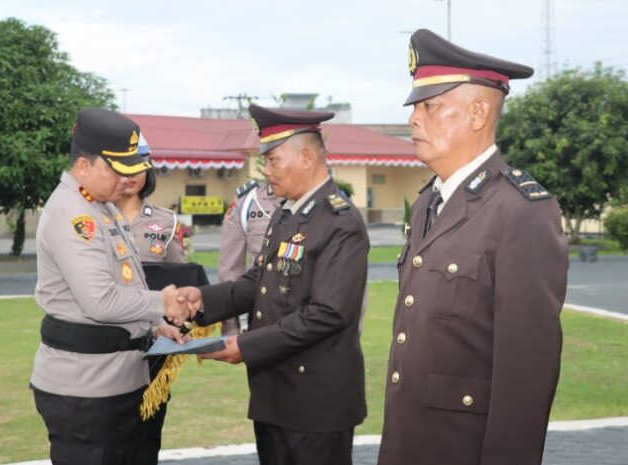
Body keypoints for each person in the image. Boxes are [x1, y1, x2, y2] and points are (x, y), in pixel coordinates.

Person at [377, 29, 568, 465]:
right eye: (415, 107)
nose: (413, 119)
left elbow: (526, 377)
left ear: (479, 113)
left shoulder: (521, 212)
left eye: (430, 106)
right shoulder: (429, 200)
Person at [178, 103, 369, 465]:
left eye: (273, 160)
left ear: (308, 157)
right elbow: (257, 282)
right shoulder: (286, 213)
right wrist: (200, 301)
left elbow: (326, 314)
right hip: (274, 396)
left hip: (316, 405)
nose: (266, 173)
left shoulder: (340, 222)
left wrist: (245, 345)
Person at [30, 107, 190, 465]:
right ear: (83, 166)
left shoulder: (100, 206)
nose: (125, 180)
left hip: (114, 381)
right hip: (86, 390)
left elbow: (126, 282)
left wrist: (155, 327)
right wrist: (162, 304)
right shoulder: (75, 215)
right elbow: (100, 301)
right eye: (117, 170)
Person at [112, 132, 185, 464]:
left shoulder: (166, 222)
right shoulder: (93, 218)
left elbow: (180, 281)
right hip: (106, 340)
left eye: (137, 167)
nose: (129, 176)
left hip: (152, 343)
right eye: (122, 167)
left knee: (147, 434)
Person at [218, 178, 281, 335]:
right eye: (266, 160)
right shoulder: (248, 201)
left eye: (274, 159)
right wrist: (230, 327)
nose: (267, 169)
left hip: (314, 322)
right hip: (264, 321)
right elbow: (229, 271)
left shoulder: (322, 200)